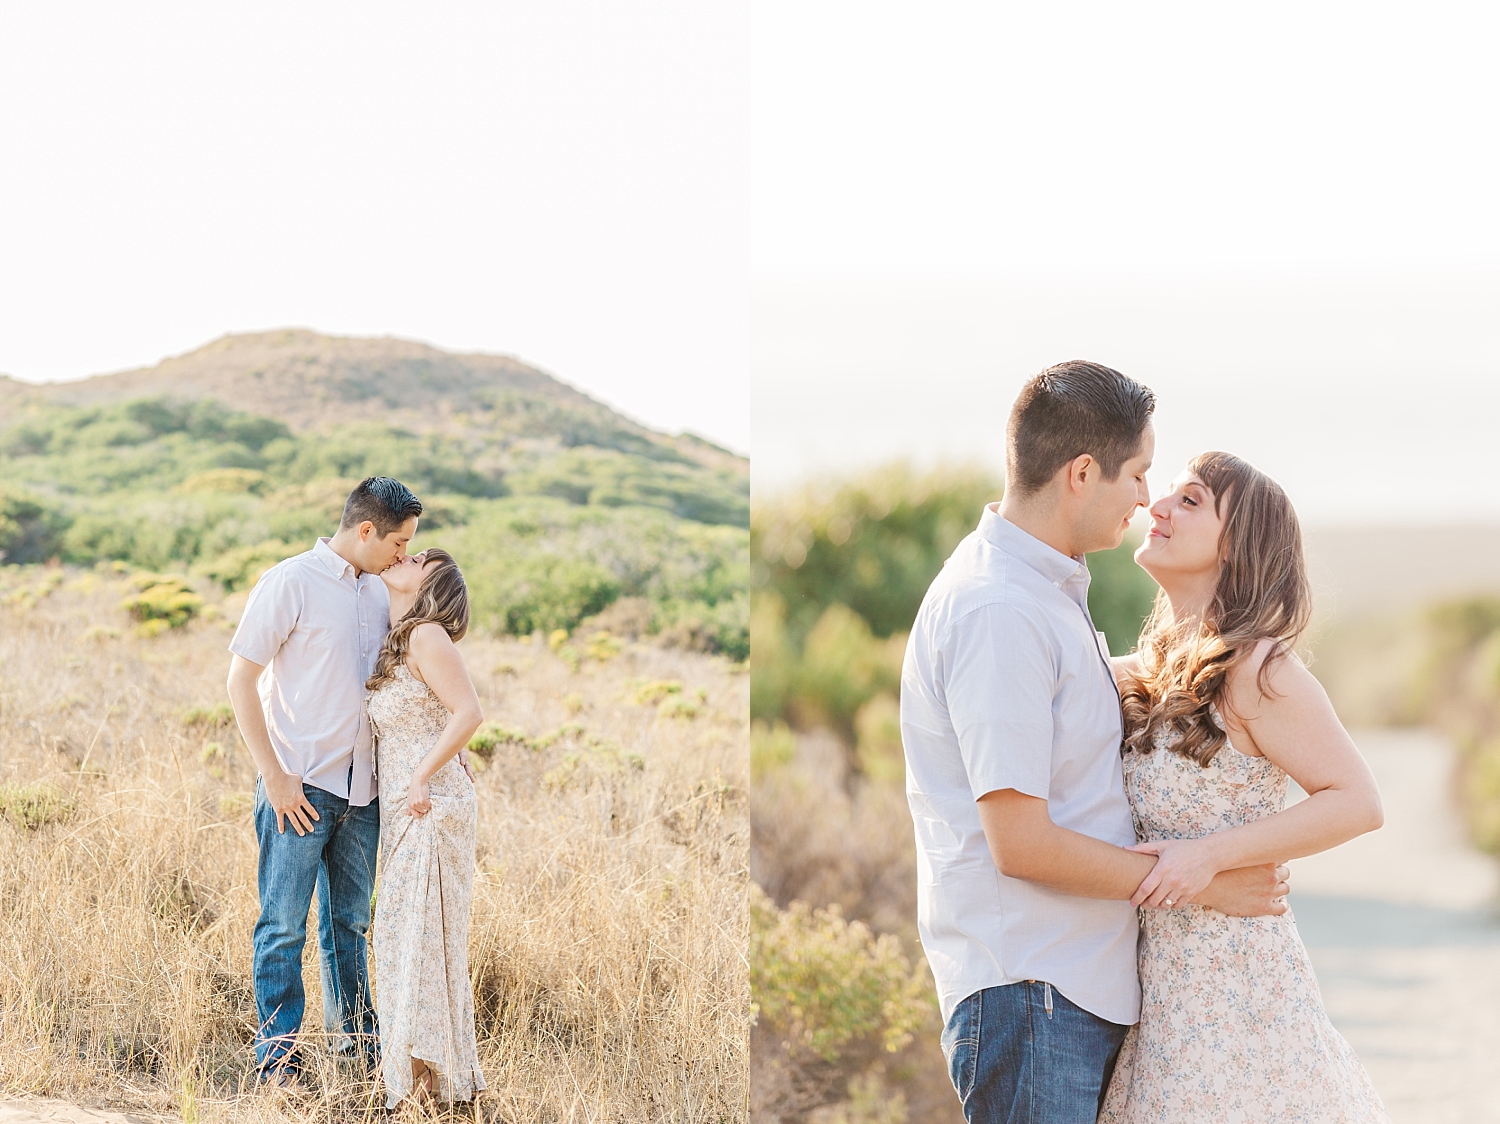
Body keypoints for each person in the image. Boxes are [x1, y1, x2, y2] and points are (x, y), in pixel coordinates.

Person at [900, 361, 1291, 1124]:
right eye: (1138, 474)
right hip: (1032, 993)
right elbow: (1022, 844)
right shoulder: (1000, 611)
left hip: (1067, 990)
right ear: (1083, 473)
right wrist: (1205, 884)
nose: (1146, 499)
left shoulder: (1044, 592)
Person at [1099, 452, 1388, 1122]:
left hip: (1236, 993)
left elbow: (1357, 801)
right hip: (1154, 994)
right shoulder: (1135, 673)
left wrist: (1209, 857)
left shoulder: (1259, 668)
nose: (1157, 508)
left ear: (1238, 547)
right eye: (1165, 494)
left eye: (1191, 501)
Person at [226, 476, 422, 1084]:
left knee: (349, 931)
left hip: (364, 794)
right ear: (366, 530)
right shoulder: (291, 581)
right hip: (299, 787)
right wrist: (276, 778)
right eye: (399, 542)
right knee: (282, 926)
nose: (404, 555)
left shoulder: (382, 592)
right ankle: (278, 1063)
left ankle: (358, 1061)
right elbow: (240, 681)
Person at [366, 547, 486, 1108]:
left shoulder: (426, 636)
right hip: (405, 808)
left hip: (429, 808)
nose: (406, 557)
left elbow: (469, 713)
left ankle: (423, 1088)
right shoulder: (394, 635)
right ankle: (424, 1084)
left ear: (429, 587)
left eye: (420, 562)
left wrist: (423, 774)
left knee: (414, 943)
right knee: (402, 942)